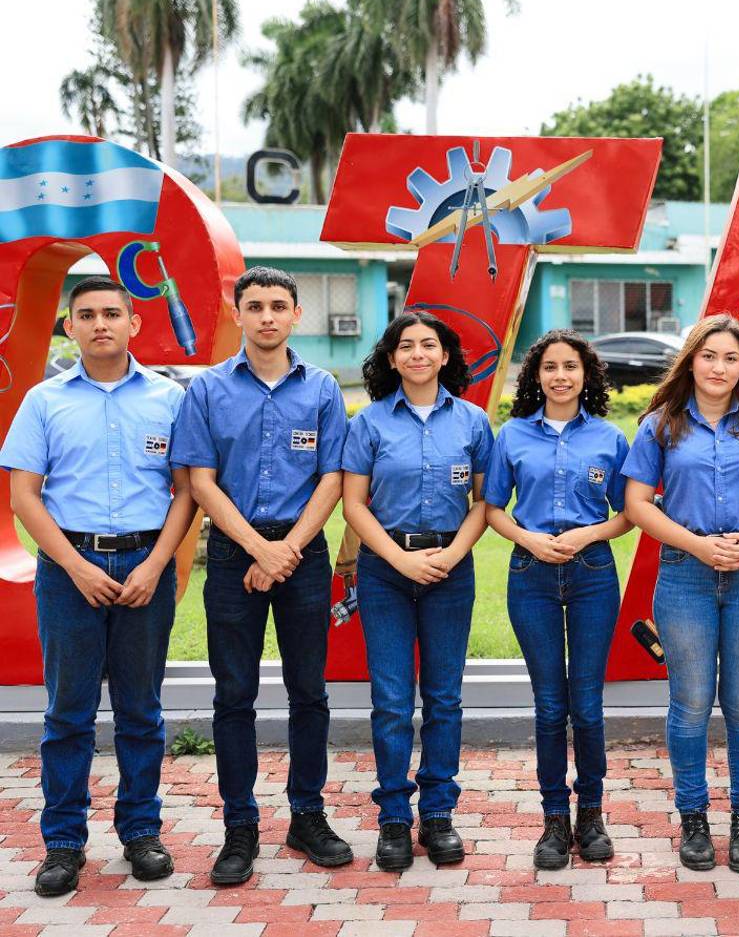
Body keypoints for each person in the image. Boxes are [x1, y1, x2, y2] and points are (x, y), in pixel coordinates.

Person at [0, 277, 196, 895]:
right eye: (86, 315)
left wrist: (155, 564)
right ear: (70, 327)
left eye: (113, 313)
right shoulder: (44, 401)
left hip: (145, 567)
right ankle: (63, 843)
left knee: (141, 711)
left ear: (134, 324)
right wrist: (77, 567)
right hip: (68, 570)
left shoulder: (169, 398)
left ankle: (141, 832)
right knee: (68, 713)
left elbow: (188, 491)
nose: (101, 323)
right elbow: (24, 495)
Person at [171, 266, 350, 884]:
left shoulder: (323, 388)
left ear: (296, 314)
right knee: (234, 697)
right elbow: (199, 481)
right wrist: (256, 550)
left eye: (279, 305)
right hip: (231, 556)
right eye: (255, 306)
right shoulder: (208, 390)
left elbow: (333, 478)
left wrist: (287, 551)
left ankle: (307, 816)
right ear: (238, 314)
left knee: (310, 692)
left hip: (302, 557)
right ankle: (239, 827)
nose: (267, 316)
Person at [622, 313, 739, 874]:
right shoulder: (660, 425)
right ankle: (694, 818)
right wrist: (701, 549)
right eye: (709, 356)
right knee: (691, 705)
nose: (719, 367)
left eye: (731, 358)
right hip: (684, 574)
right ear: (691, 361)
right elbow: (636, 505)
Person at [341, 311, 493, 870]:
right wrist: (400, 559)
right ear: (391, 358)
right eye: (406, 346)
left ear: (446, 356)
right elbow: (353, 504)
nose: (418, 355)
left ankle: (438, 814)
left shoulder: (473, 422)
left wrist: (452, 554)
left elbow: (485, 503)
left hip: (451, 570)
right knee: (391, 701)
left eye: (429, 345)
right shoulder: (369, 423)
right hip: (385, 570)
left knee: (445, 698)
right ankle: (393, 819)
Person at [485, 330, 631, 870]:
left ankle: (591, 815)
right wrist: (529, 538)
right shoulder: (513, 436)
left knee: (587, 705)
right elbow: (494, 507)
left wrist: (589, 535)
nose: (561, 376)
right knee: (549, 706)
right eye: (550, 367)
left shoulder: (611, 439)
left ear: (586, 374)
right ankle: (553, 820)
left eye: (571, 366)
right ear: (536, 376)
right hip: (531, 573)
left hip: (593, 573)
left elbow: (628, 512)